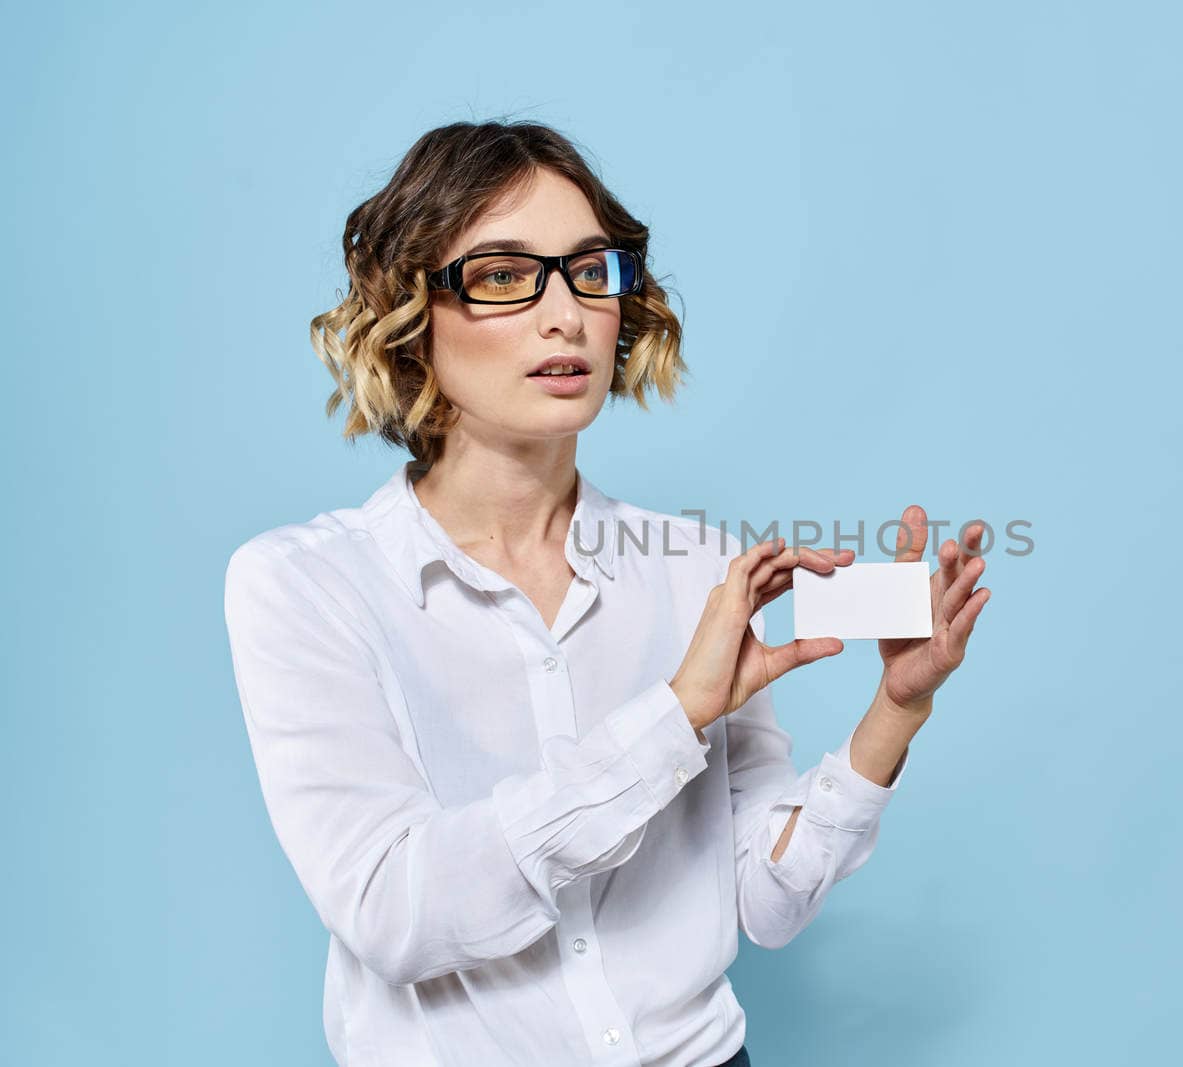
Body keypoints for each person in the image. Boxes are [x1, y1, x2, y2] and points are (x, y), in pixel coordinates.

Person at [222, 119, 992, 1067]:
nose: (565, 315)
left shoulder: (695, 565)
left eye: (591, 270)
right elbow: (395, 913)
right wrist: (674, 717)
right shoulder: (307, 584)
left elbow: (763, 902)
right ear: (411, 311)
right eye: (504, 275)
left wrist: (894, 714)